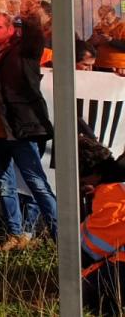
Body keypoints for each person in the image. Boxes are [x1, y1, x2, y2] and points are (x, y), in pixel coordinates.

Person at [0, 5, 59, 251]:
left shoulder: (24, 51)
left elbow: (34, 30)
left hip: (20, 132)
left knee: (37, 185)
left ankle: (62, 240)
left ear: (10, 29)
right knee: (5, 185)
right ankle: (14, 235)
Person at [78, 134, 125, 315]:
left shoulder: (111, 193)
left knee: (82, 291)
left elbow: (93, 249)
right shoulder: (117, 183)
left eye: (82, 180)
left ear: (96, 173)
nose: (81, 184)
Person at [89, 5, 125, 75]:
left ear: (114, 16)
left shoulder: (123, 26)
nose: (104, 21)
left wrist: (111, 40)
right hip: (99, 65)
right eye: (102, 18)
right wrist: (93, 42)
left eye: (107, 19)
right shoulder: (98, 27)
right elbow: (89, 47)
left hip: (118, 67)